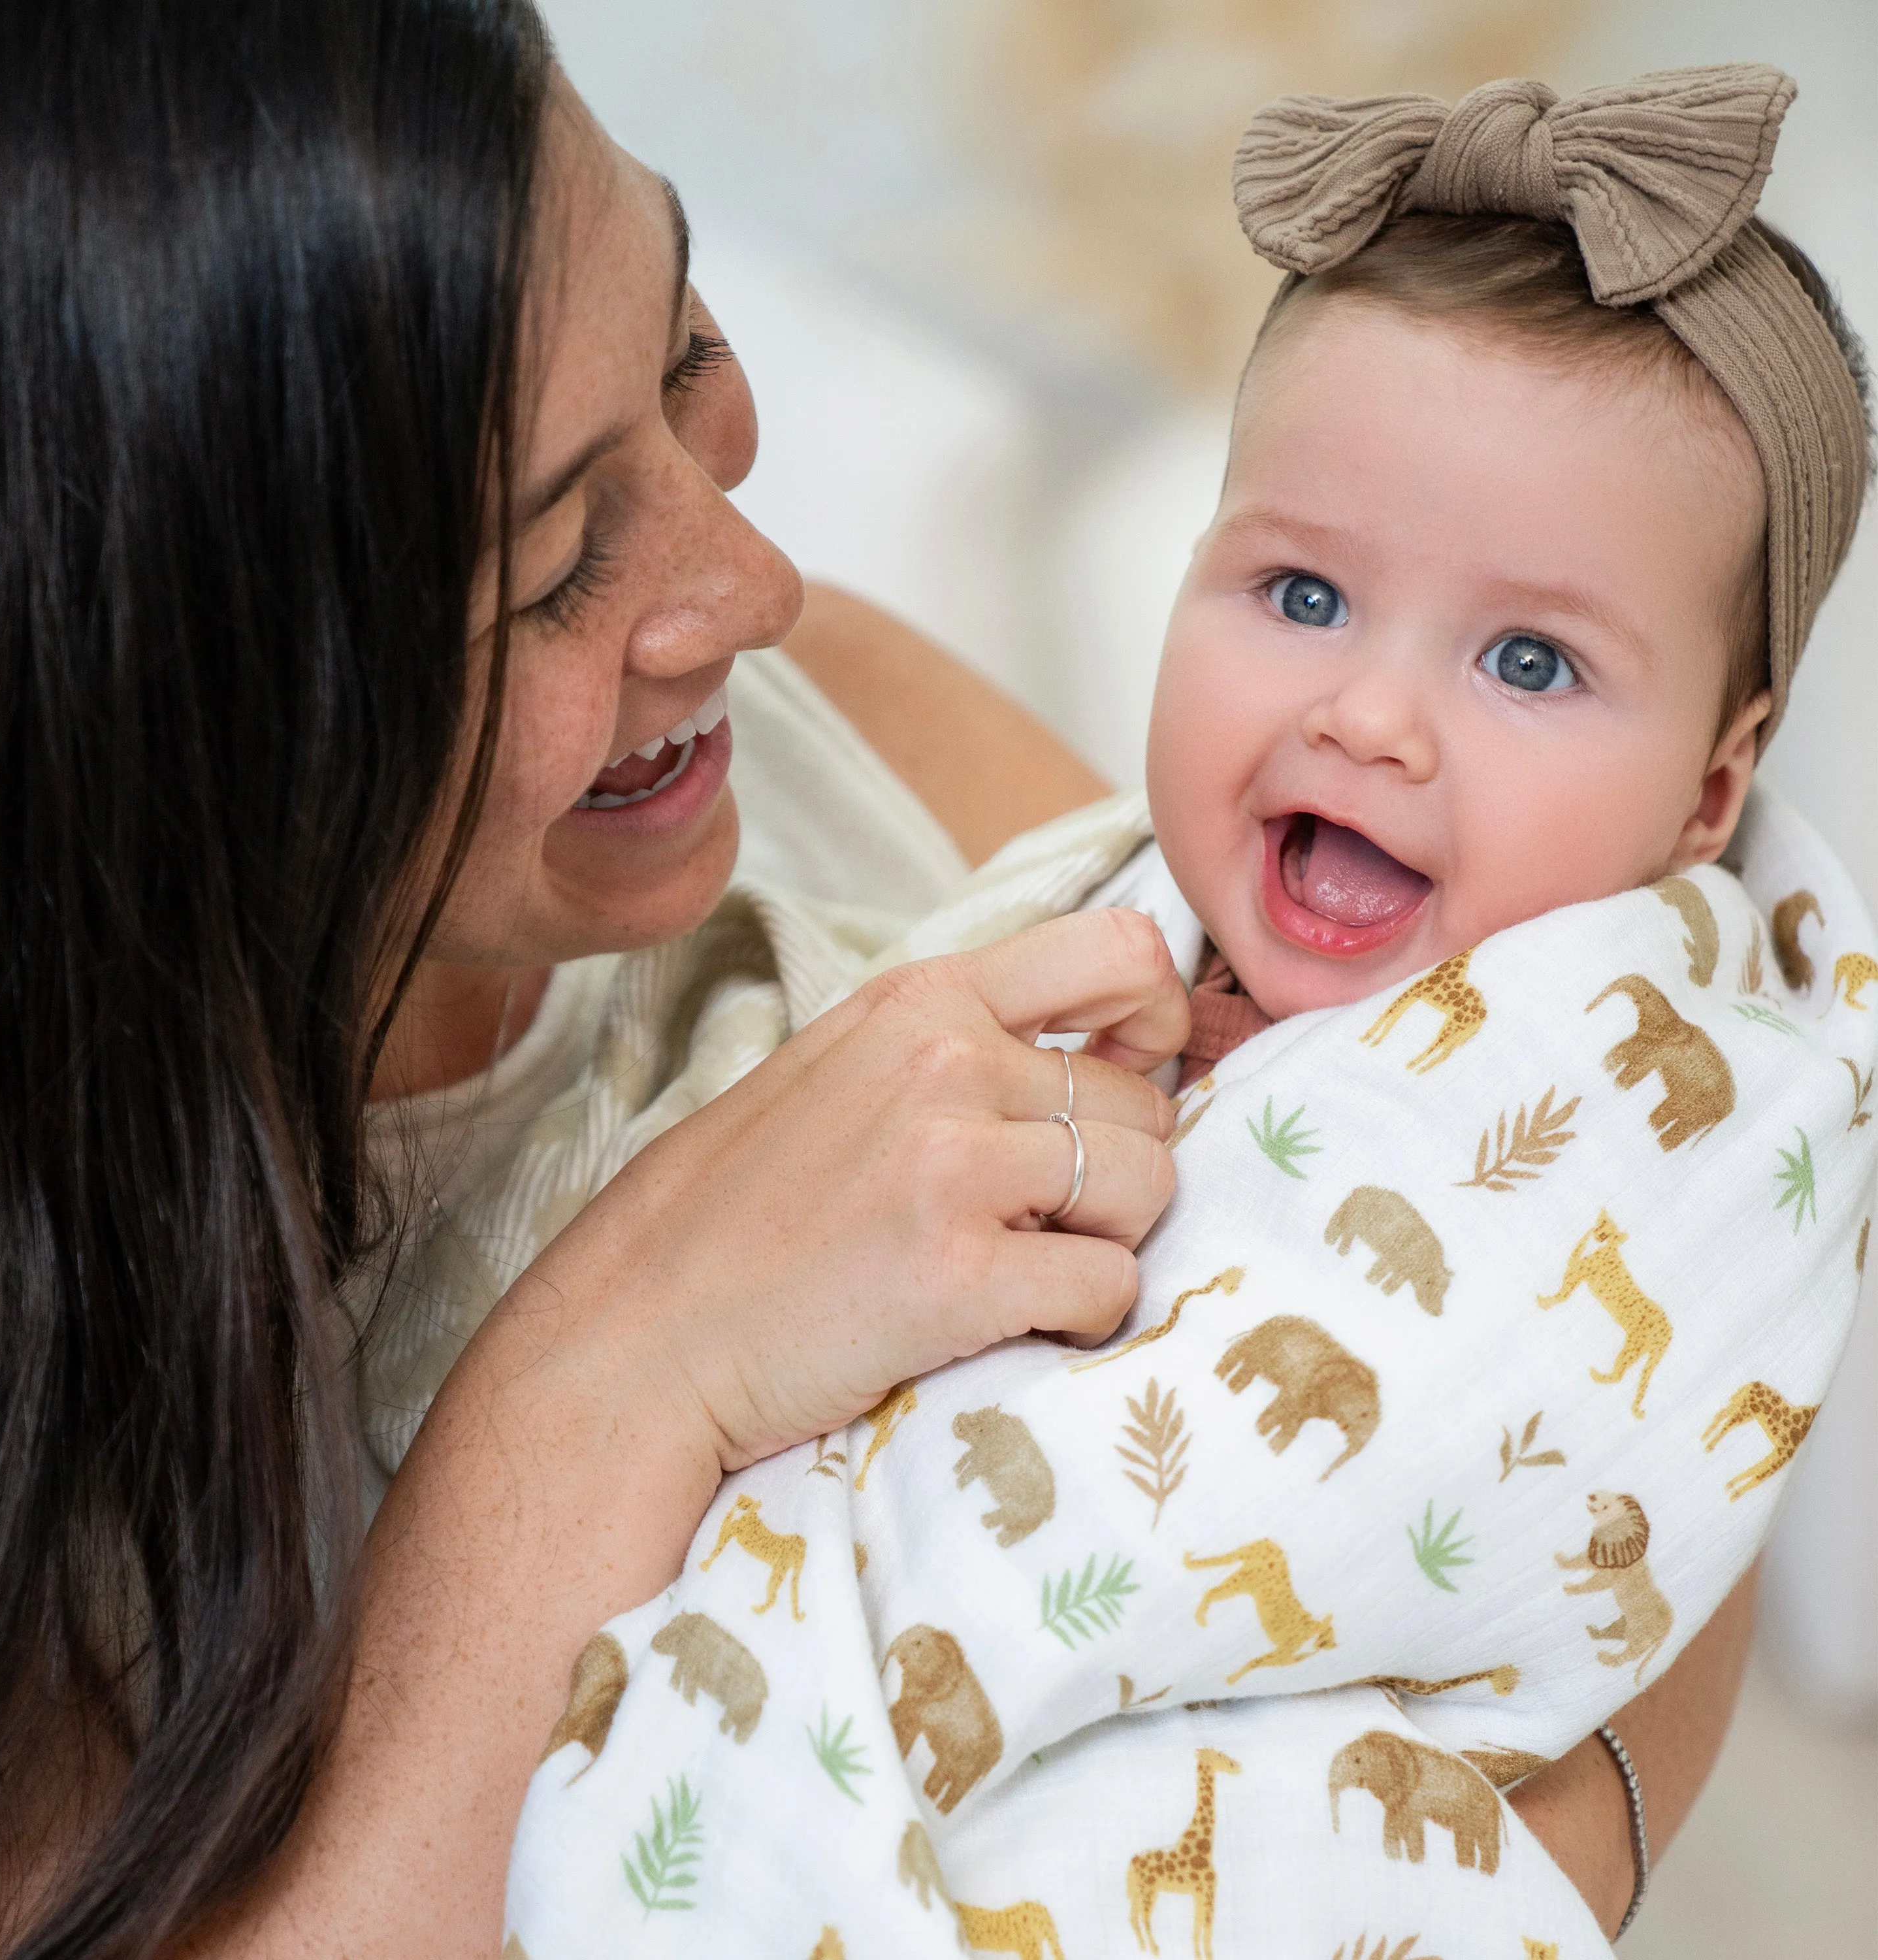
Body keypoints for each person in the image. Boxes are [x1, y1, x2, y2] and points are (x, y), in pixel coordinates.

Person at [0, 9, 1763, 1957]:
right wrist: (611, 1376)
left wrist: (1521, 1856)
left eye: (685, 345)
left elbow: (1633, 1278)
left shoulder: (819, 726)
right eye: (555, 571)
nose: (753, 589)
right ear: (155, 715)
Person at [495, 67, 1877, 1959]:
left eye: (1531, 659)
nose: (1370, 718)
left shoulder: (1629, 1070)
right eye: (1301, 589)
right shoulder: (1110, 901)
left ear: (1712, 799)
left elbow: (1539, 1423)